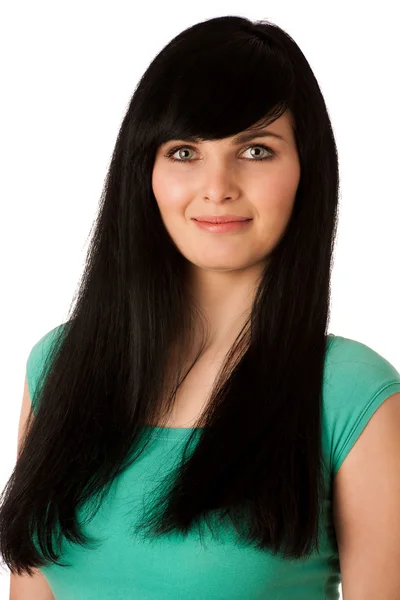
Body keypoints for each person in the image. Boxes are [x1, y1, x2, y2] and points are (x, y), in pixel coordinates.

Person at [2, 14, 400, 600]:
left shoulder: (350, 394)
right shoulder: (59, 364)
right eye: (185, 151)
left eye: (256, 150)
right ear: (147, 173)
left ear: (305, 173)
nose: (217, 186)